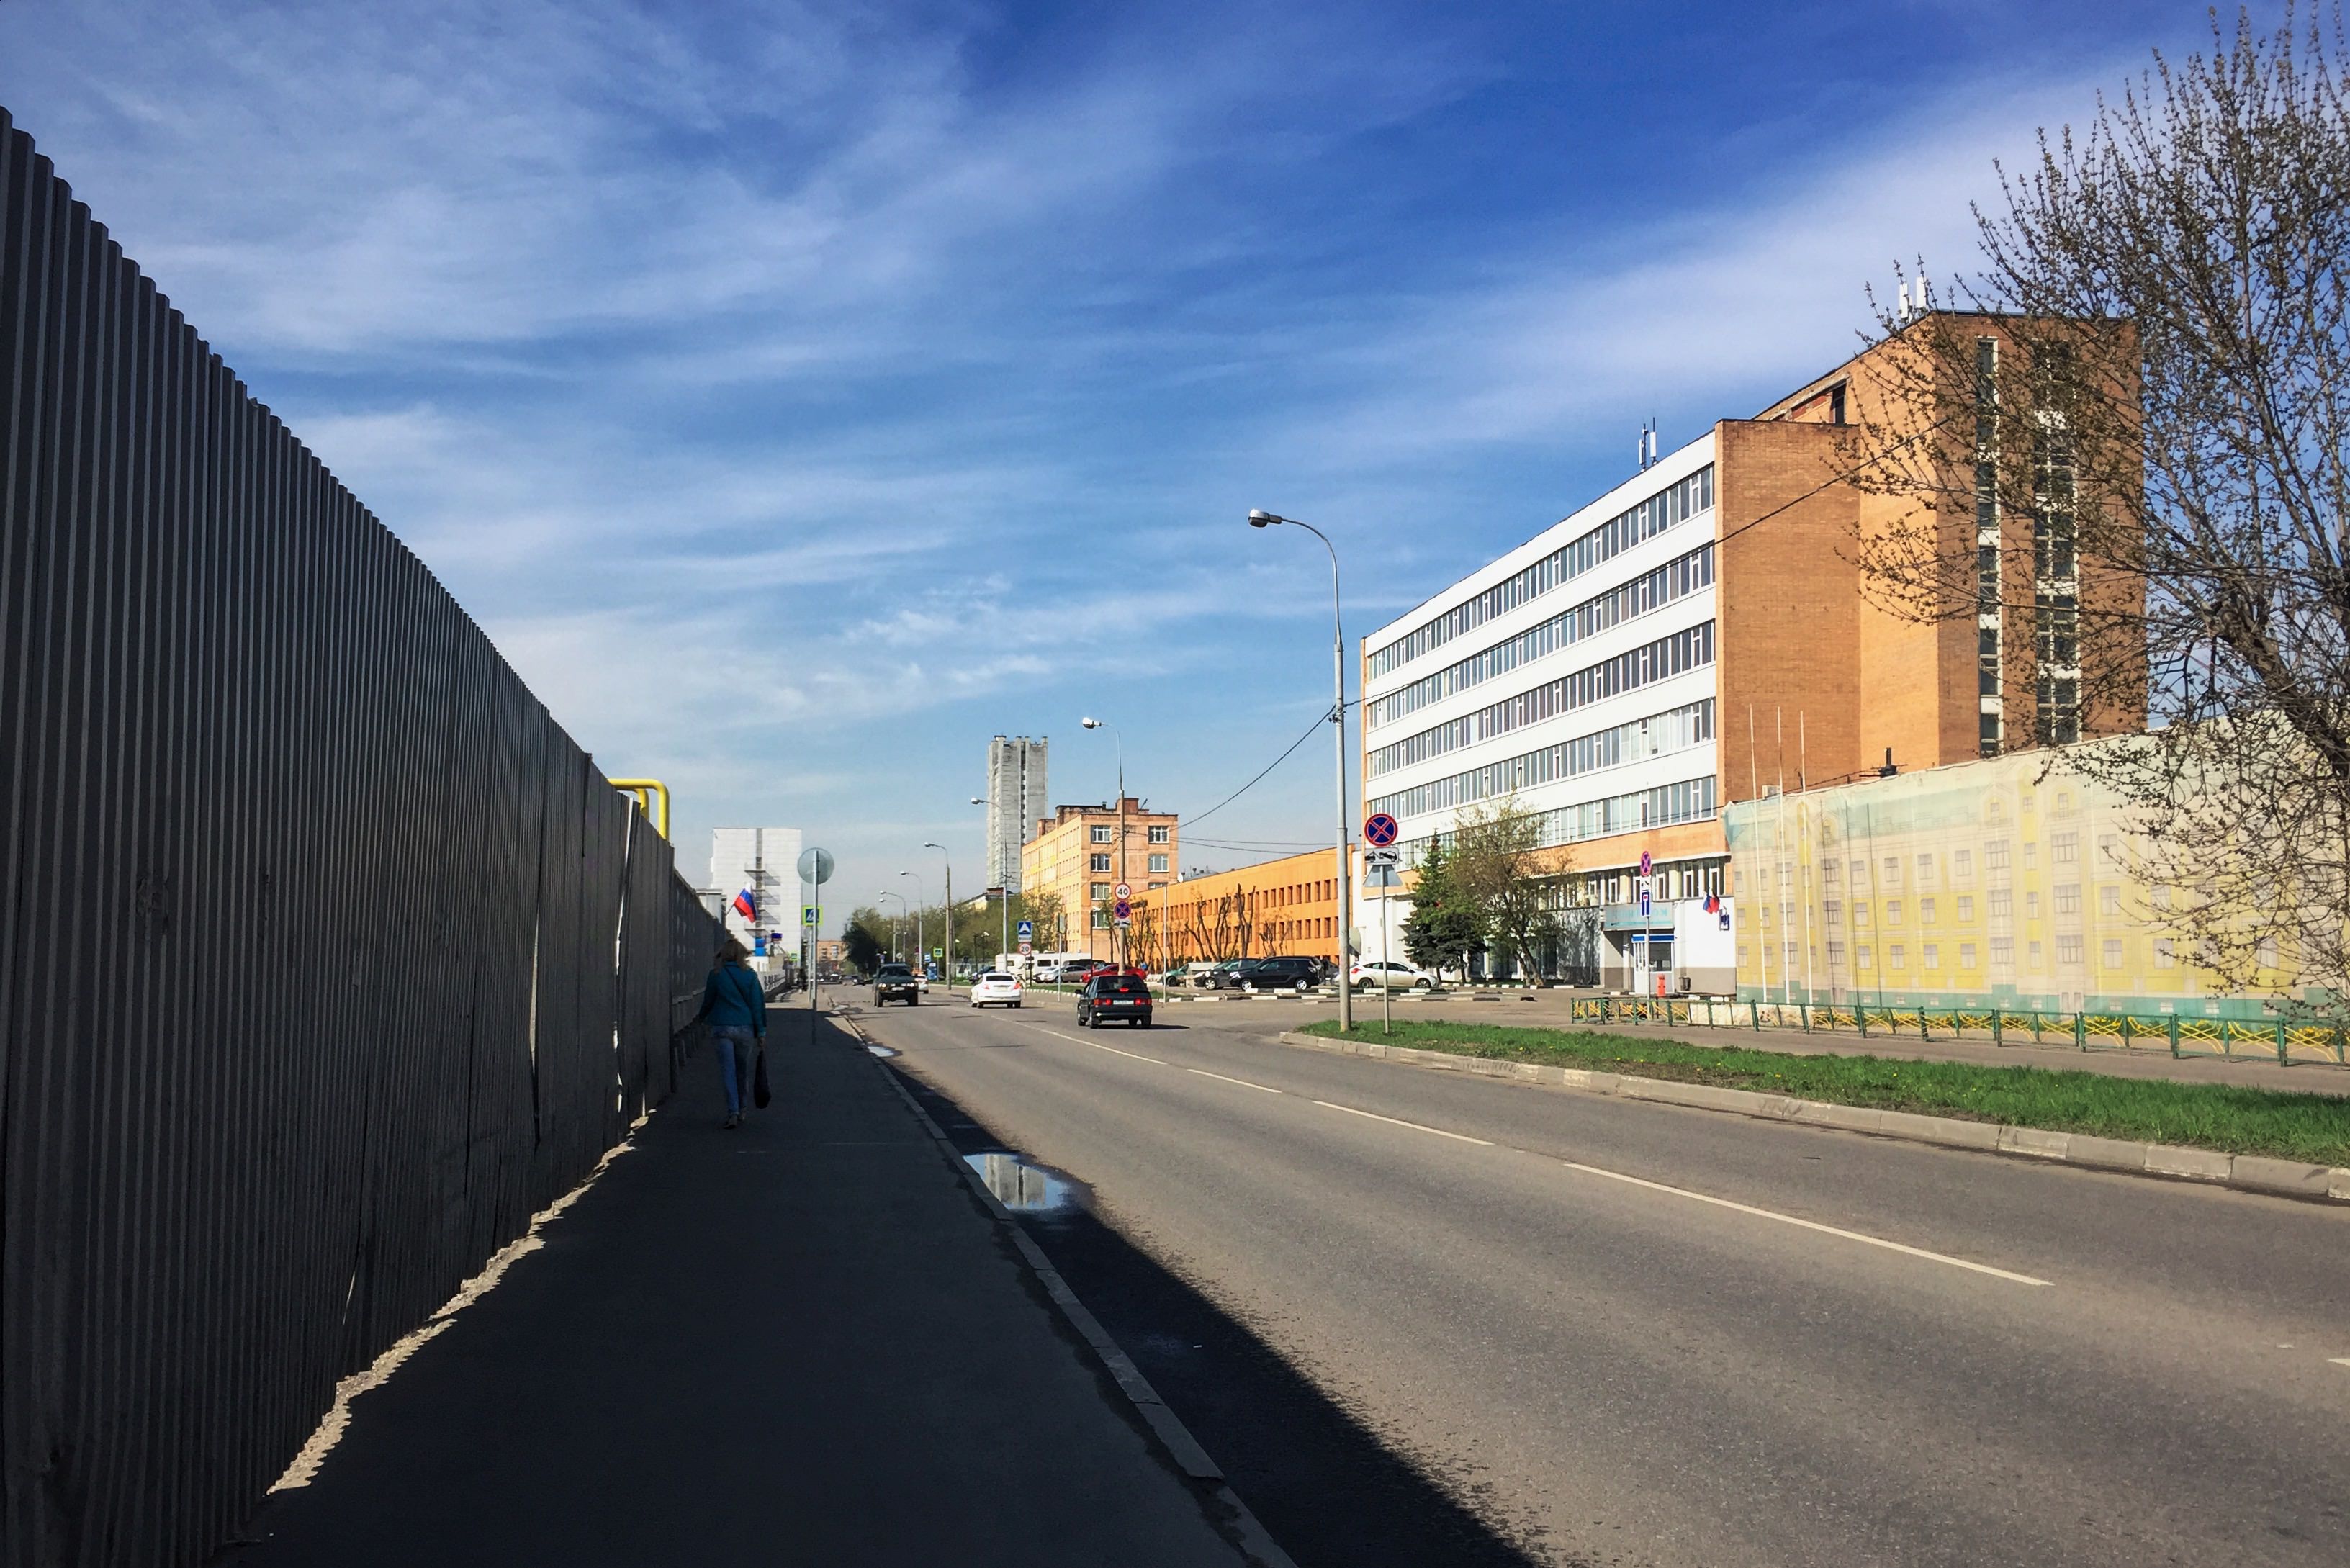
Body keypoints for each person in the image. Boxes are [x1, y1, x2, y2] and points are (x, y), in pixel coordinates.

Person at [695, 940, 767, 1129]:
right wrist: (761, 1031)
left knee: (728, 1071)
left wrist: (701, 1019)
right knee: (742, 1071)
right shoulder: (750, 976)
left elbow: (708, 1001)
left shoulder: (716, 975)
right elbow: (757, 1005)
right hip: (745, 1027)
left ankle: (733, 1112)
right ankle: (743, 1109)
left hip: (721, 1027)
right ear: (742, 955)